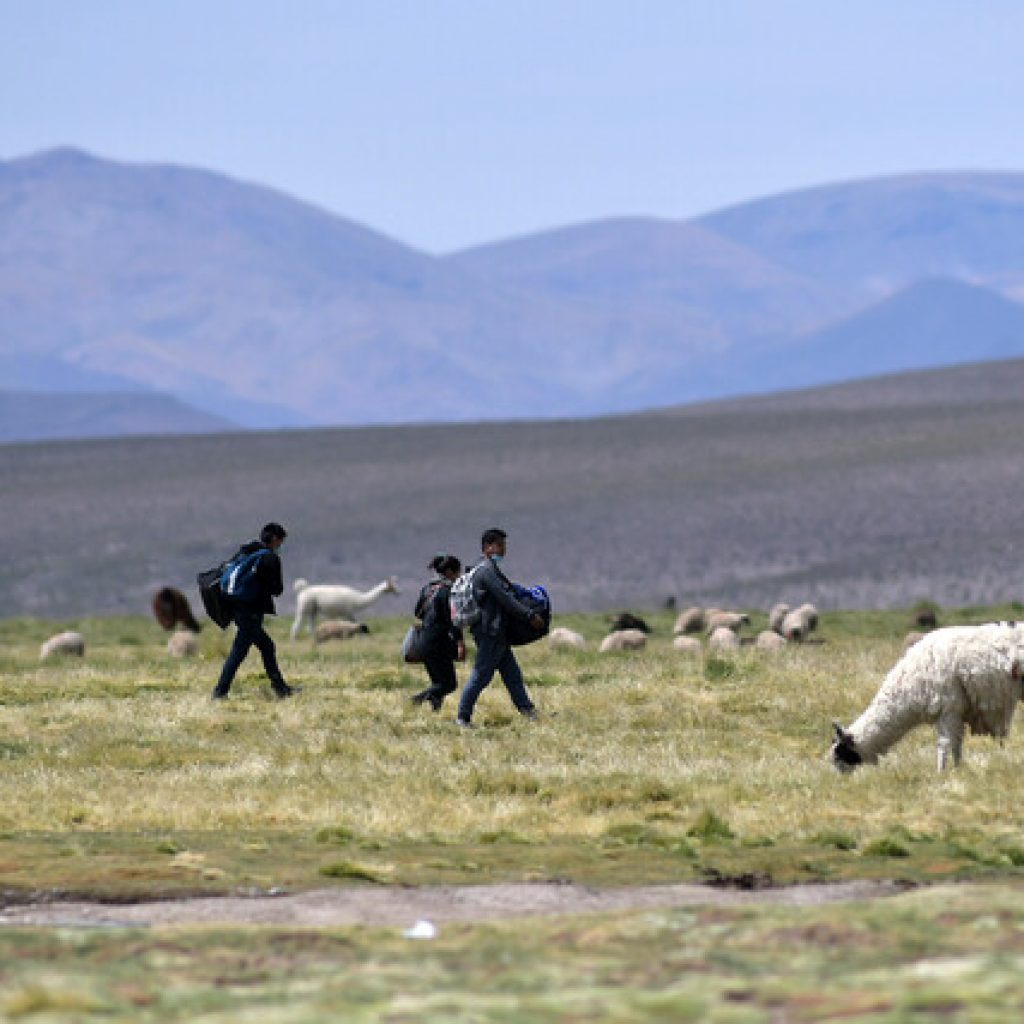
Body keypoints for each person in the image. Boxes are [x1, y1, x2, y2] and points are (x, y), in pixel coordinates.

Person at [456, 527, 544, 727]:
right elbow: (505, 599)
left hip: (497, 632)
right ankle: (462, 717)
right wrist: (529, 615)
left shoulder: (490, 569)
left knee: (512, 674)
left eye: (504, 545)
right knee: (481, 676)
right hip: (490, 632)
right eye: (499, 545)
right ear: (487, 547)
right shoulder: (487, 571)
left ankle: (528, 711)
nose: (503, 549)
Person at [212, 522, 299, 700]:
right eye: (281, 542)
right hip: (250, 611)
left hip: (237, 608)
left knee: (265, 647)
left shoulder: (246, 552)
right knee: (240, 651)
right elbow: (277, 589)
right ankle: (220, 692)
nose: (281, 546)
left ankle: (280, 688)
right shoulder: (269, 558)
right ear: (275, 539)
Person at [410, 553, 465, 711]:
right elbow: (453, 620)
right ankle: (415, 701)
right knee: (449, 684)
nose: (459, 576)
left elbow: (417, 613)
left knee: (438, 683)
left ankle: (435, 713)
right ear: (450, 572)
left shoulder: (428, 589)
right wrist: (460, 643)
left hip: (424, 641)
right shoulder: (448, 592)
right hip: (438, 643)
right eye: (457, 573)